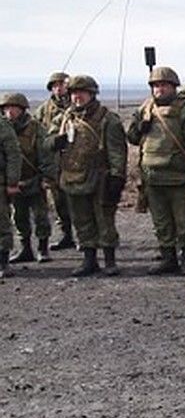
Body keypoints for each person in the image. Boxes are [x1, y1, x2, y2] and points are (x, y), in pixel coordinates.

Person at [52, 75, 127, 277]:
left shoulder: (107, 119)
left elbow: (117, 151)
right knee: (81, 220)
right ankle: (89, 260)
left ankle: (110, 261)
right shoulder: (65, 118)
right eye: (74, 93)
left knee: (104, 220)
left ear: (92, 94)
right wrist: (54, 142)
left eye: (82, 92)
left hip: (100, 178)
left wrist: (117, 177)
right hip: (72, 176)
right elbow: (46, 142)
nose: (77, 97)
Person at [126, 66, 185, 274]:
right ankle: (168, 258)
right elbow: (132, 138)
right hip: (152, 177)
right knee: (161, 222)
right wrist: (139, 128)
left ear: (173, 87)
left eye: (164, 85)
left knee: (184, 220)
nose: (159, 89)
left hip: (179, 176)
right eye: (156, 86)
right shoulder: (146, 108)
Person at [3, 92, 56, 266]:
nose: (10, 112)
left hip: (34, 178)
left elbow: (46, 154)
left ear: (22, 109)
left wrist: (46, 177)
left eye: (13, 108)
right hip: (14, 180)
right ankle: (25, 249)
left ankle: (43, 248)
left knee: (40, 215)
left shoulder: (35, 128)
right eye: (6, 108)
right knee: (19, 217)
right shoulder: (4, 129)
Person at [35, 71, 75, 251]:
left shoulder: (77, 106)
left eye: (63, 84)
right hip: (53, 163)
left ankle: (84, 237)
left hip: (75, 162)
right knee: (59, 202)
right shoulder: (44, 110)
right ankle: (66, 235)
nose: (59, 88)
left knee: (77, 201)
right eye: (55, 85)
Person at [0, 103, 20, 279]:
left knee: (2, 223)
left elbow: (13, 155)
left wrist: (12, 182)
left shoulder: (2, 126)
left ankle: (3, 262)